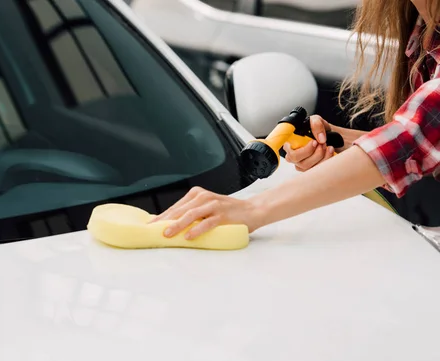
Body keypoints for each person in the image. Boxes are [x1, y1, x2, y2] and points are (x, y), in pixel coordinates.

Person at [152, 0, 440, 240]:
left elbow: (408, 139)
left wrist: (252, 210)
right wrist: (339, 141)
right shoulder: (424, 26)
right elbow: (425, 140)